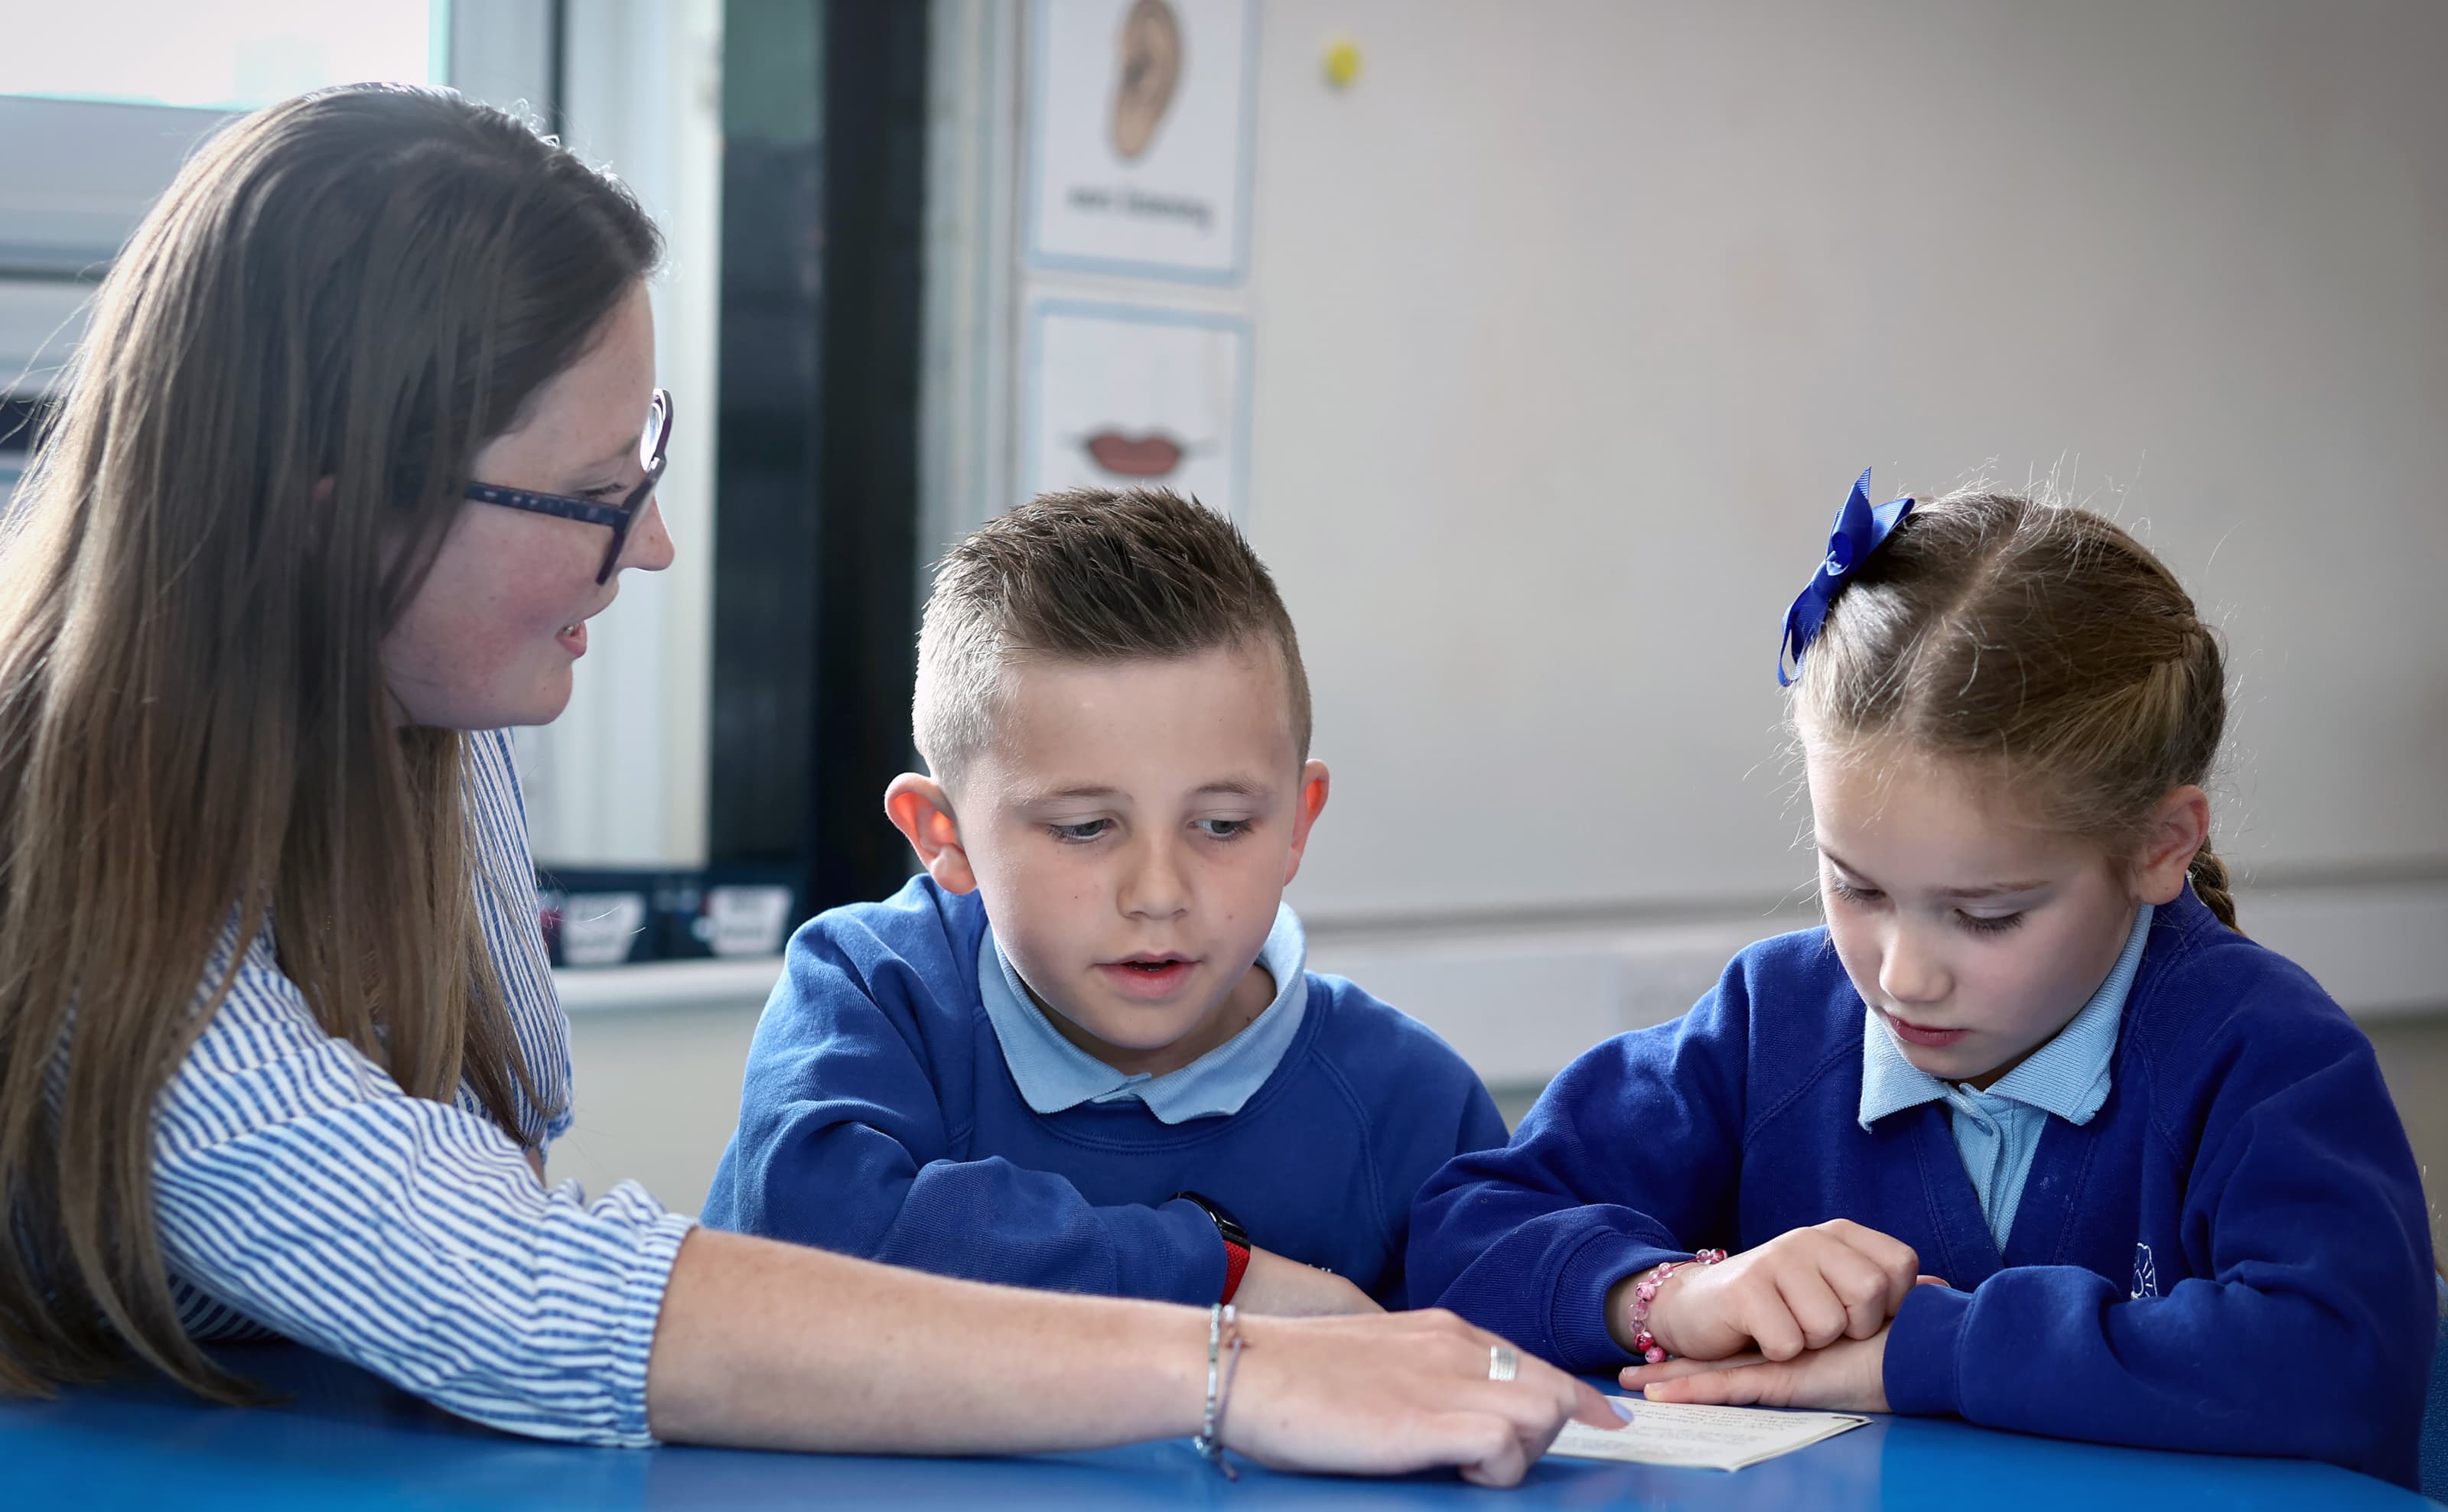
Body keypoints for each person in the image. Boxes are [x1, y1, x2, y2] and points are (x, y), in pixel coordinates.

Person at [0, 84, 1612, 1484]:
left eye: (648, 466)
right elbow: (520, 1294)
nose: (652, 543)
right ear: (337, 504)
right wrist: (1233, 1357)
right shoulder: (75, 878)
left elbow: (487, 1190)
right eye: (586, 494)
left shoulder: (439, 727)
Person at [1405, 471, 2435, 1486]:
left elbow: (2341, 1363)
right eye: (1854, 888)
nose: (1901, 978)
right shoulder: (1773, 1026)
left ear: (2161, 846)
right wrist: (1662, 1296)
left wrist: (1921, 1354)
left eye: (1986, 916)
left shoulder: (2264, 1055)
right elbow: (1461, 1233)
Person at [702, 487, 1504, 1312]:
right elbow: (815, 1240)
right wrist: (1223, 1276)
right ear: (943, 835)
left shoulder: (1413, 1105)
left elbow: (1506, 1363)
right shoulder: (873, 993)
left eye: (1223, 825)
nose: (1158, 894)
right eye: (1085, 828)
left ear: (1297, 823)